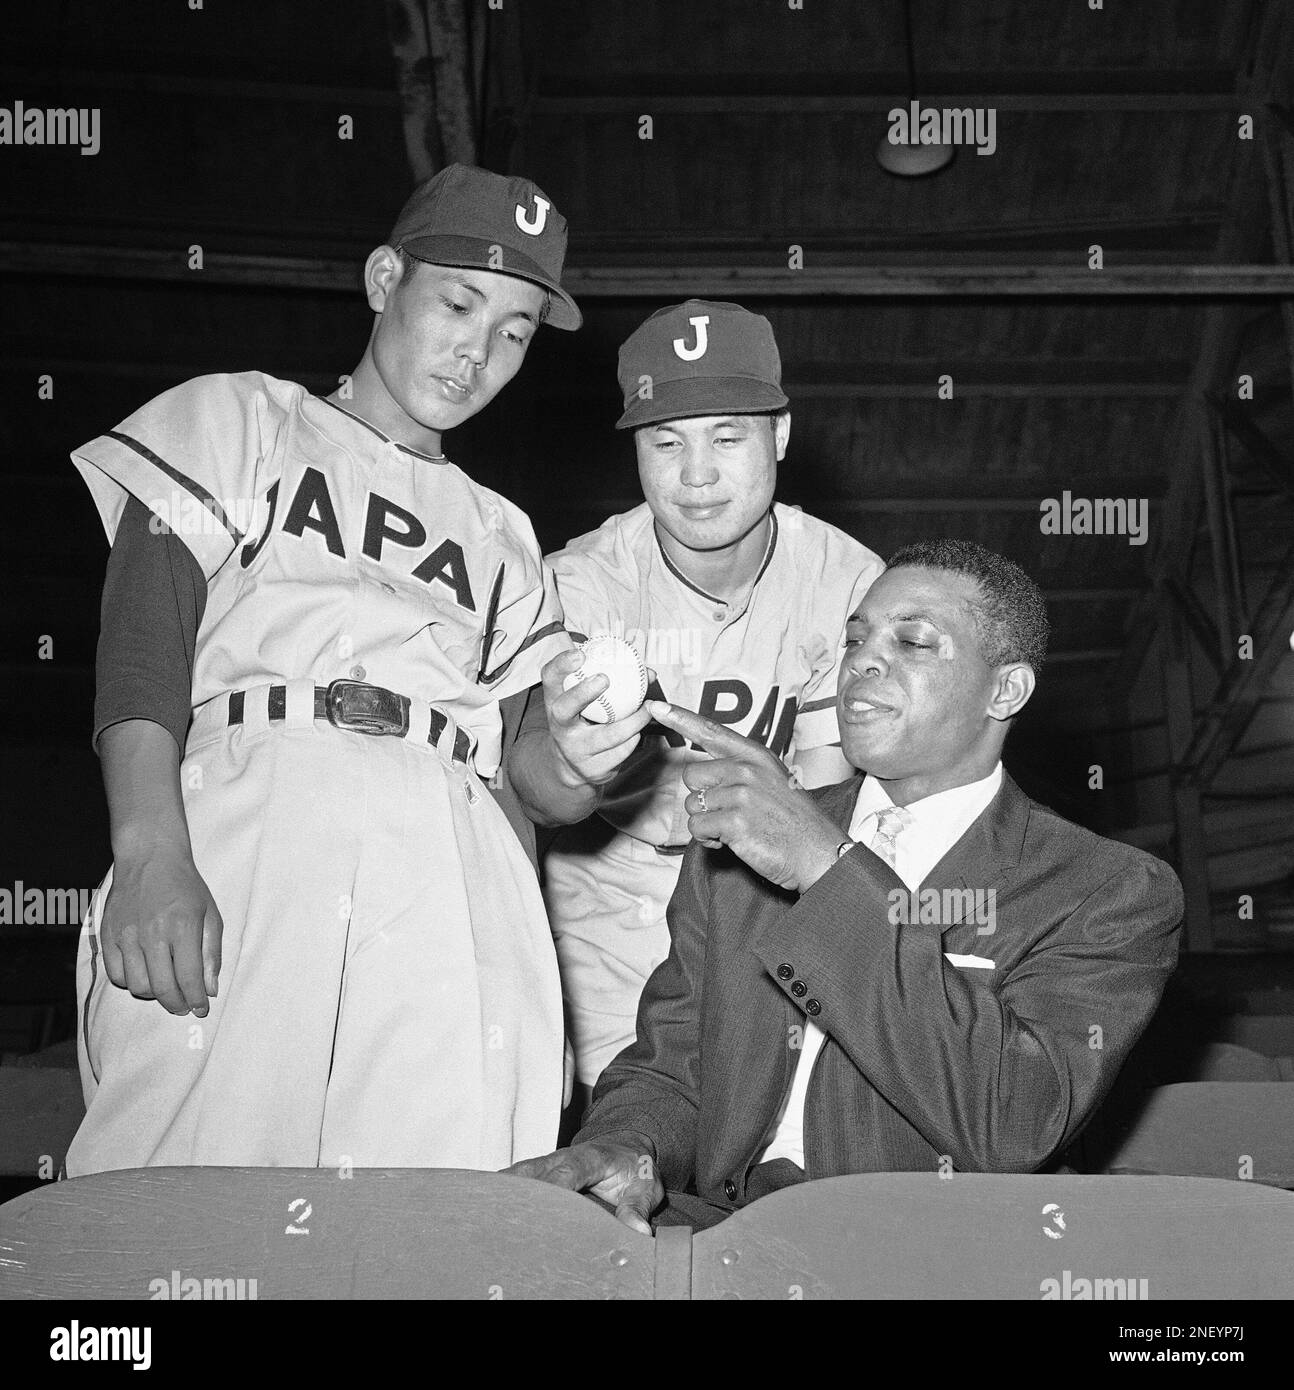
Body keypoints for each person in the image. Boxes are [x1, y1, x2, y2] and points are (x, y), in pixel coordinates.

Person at [65, 164, 652, 1176]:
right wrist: (152, 844)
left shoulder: (504, 532)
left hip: (450, 843)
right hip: (257, 802)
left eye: (514, 331)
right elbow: (144, 641)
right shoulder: (242, 417)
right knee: (187, 1186)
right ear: (385, 278)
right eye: (458, 302)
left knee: (439, 1208)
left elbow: (535, 783)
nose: (478, 351)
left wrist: (590, 752)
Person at [510, 539, 1184, 1231]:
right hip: (714, 1236)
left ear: (1005, 689)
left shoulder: (1107, 890)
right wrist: (630, 1147)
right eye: (855, 636)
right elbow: (671, 1067)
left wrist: (827, 870)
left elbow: (1014, 1120)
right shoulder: (736, 845)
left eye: (913, 642)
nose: (862, 659)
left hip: (925, 1256)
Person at [541, 299, 883, 1099]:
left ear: (782, 436)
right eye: (666, 441)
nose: (696, 475)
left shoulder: (850, 583)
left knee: (773, 1127)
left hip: (766, 881)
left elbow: (823, 807)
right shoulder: (574, 585)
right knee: (619, 1119)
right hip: (608, 879)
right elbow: (535, 789)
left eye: (728, 437)